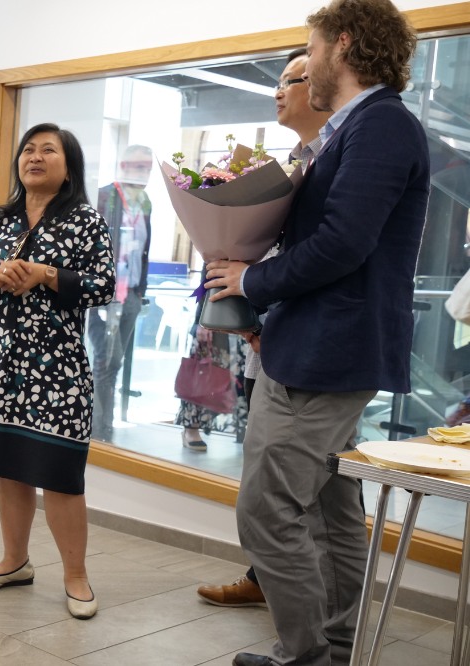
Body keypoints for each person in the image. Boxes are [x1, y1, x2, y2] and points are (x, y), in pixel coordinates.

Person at [205, 2, 429, 663]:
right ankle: (336, 646)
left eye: (312, 47)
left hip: (328, 355)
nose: (304, 64)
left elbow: (340, 246)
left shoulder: (382, 126)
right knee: (333, 514)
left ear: (344, 44)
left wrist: (250, 283)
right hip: (312, 344)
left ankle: (305, 657)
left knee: (267, 513)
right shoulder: (353, 128)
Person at [0, 123, 115, 620]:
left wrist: (44, 275)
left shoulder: (85, 221)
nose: (34, 157)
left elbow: (103, 286)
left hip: (55, 370)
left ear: (68, 167)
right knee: (8, 465)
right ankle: (15, 560)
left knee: (61, 475)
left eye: (48, 150)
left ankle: (76, 576)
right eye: (28, 149)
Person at [196, 47, 332, 610]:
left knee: (298, 485)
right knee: (266, 458)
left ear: (322, 86)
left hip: (308, 339)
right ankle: (267, 578)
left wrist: (261, 294)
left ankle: (303, 605)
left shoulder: (335, 157)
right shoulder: (295, 161)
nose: (279, 91)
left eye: (291, 80)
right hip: (270, 335)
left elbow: (322, 256)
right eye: (276, 82)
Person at [88, 144, 153, 442]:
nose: (144, 172)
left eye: (147, 166)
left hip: (131, 297)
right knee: (104, 361)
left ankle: (102, 427)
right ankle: (101, 432)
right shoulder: (105, 197)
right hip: (105, 296)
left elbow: (142, 251)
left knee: (114, 363)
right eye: (138, 166)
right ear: (123, 165)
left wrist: (140, 294)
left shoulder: (144, 202)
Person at [175, 318, 248, 451]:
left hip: (246, 317)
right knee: (202, 371)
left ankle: (242, 428)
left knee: (243, 374)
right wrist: (203, 321)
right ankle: (191, 429)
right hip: (215, 314)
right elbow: (206, 296)